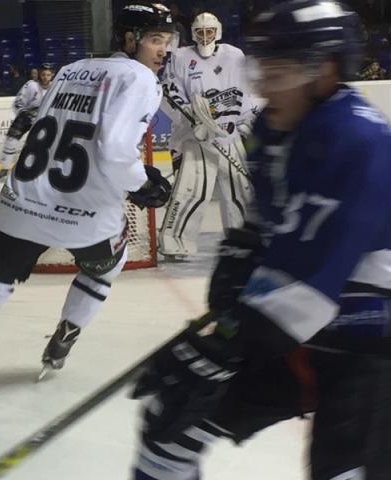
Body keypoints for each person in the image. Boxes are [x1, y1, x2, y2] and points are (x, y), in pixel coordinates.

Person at [131, 2, 391, 479]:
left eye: (280, 69)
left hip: (371, 344)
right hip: (303, 332)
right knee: (168, 425)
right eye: (261, 67)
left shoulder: (357, 140)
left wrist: (221, 345)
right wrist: (243, 259)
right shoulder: (272, 131)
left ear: (325, 70)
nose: (264, 84)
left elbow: (308, 284)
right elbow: (271, 236)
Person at [0, 1, 176, 415]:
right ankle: (64, 339)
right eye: (155, 40)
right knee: (107, 267)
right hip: (85, 217)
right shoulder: (141, 78)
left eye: (167, 41)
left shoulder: (72, 69)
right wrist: (142, 182)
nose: (163, 49)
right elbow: (112, 150)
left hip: (22, 203)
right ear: (128, 39)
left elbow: (48, 125)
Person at [158, 11, 257, 261]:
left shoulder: (234, 56)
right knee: (193, 190)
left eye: (209, 32)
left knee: (240, 190)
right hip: (197, 138)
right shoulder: (181, 57)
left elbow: (247, 90)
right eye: (200, 32)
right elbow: (170, 92)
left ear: (218, 32)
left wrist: (245, 120)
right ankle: (174, 242)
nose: (205, 36)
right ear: (193, 34)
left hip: (227, 135)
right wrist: (190, 118)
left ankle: (242, 239)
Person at [0, 63, 54, 180]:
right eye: (43, 74)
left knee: (44, 145)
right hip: (26, 116)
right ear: (39, 74)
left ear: (52, 75)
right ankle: (4, 168)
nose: (45, 77)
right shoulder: (31, 85)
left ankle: (43, 169)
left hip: (43, 118)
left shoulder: (55, 87)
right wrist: (24, 114)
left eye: (48, 75)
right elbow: (18, 102)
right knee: (11, 139)